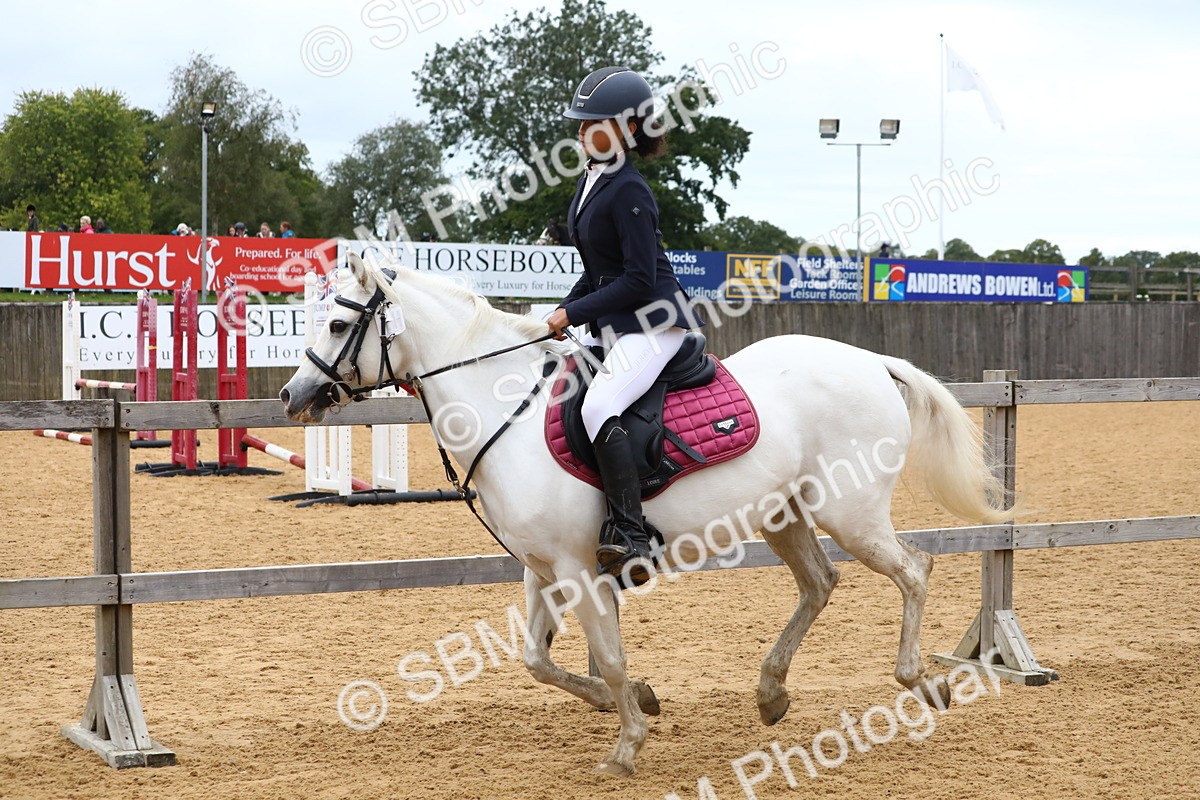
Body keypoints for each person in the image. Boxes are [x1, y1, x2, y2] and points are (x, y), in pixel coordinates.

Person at [547, 65, 700, 585]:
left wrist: (572, 314)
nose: (585, 131)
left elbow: (637, 279)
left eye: (597, 122)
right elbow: (596, 272)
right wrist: (558, 312)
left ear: (627, 129)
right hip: (616, 321)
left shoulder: (631, 190)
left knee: (599, 404)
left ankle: (632, 534)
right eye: (583, 122)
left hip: (654, 321)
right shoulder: (592, 180)